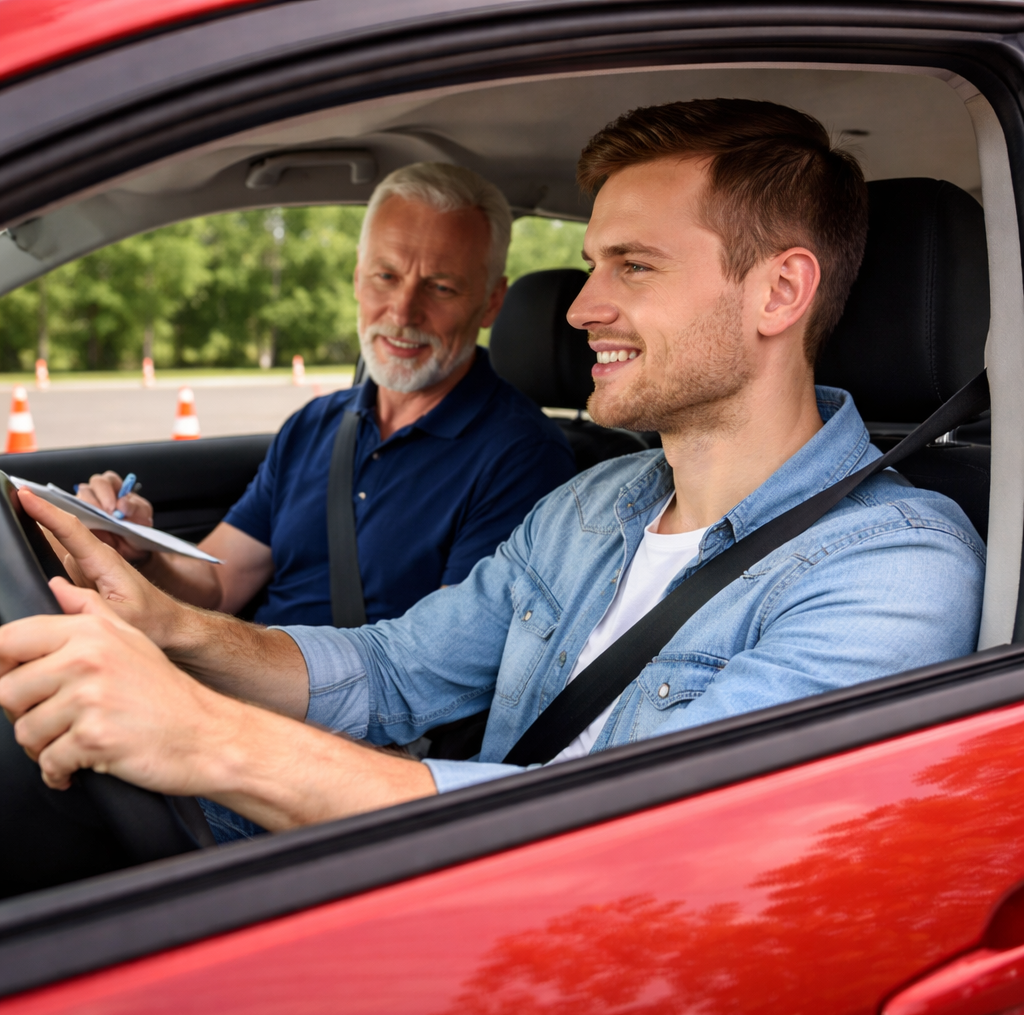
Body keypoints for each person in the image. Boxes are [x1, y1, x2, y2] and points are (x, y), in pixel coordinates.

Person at [0, 99, 985, 844]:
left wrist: (204, 736)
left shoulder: (891, 568)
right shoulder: (592, 504)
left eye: (632, 266)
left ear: (780, 290)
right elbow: (392, 668)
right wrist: (166, 625)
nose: (578, 308)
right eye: (591, 264)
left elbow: (635, 832)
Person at [76, 162, 575, 626]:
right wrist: (141, 550)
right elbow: (218, 584)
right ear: (358, 279)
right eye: (386, 276)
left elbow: (438, 666)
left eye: (440, 287)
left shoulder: (523, 456)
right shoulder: (315, 425)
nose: (402, 312)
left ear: (491, 303)